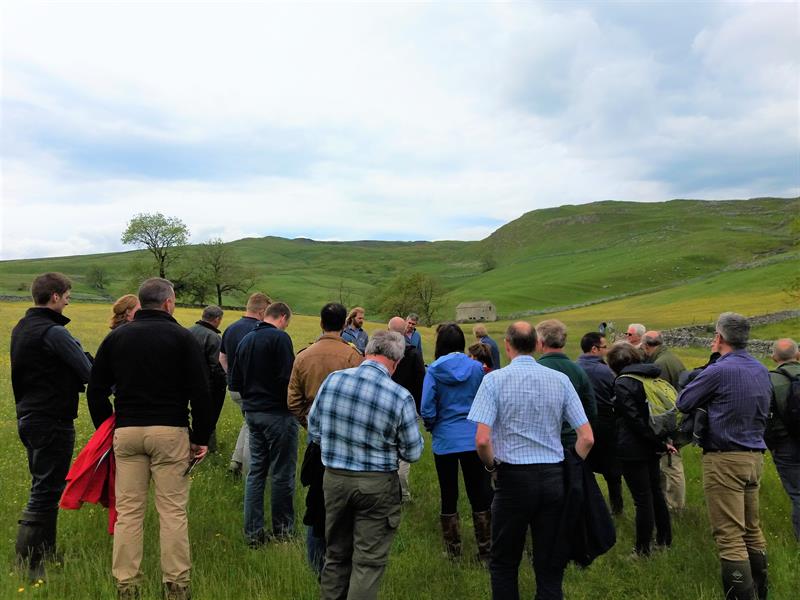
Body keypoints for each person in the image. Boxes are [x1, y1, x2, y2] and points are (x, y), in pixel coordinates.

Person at [87, 277, 213, 600]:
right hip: (170, 431)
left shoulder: (117, 338)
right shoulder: (183, 339)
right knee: (172, 512)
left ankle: (126, 587)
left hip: (127, 432)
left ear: (141, 303)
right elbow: (201, 392)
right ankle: (177, 587)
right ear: (169, 303)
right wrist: (200, 437)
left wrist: (107, 427)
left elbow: (96, 389)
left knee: (129, 513)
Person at [467, 322, 593, 599]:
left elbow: (482, 440)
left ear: (508, 346)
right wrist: (570, 465)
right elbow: (586, 437)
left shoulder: (494, 380)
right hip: (552, 475)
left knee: (504, 561)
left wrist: (491, 466)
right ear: (537, 344)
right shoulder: (560, 380)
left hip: (512, 477)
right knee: (550, 561)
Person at [308, 330, 424, 600]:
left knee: (335, 554)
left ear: (367, 351)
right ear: (395, 362)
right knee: (368, 562)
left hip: (334, 478)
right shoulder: (399, 396)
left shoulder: (334, 380)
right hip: (376, 483)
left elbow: (314, 428)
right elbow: (413, 451)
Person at [677, 312, 771, 600]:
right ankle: (760, 591)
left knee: (729, 535)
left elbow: (684, 401)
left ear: (718, 338)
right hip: (754, 456)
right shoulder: (760, 368)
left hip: (724, 458)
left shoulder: (719, 370)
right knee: (751, 530)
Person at [11, 272, 92, 580]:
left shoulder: (23, 327)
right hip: (51, 419)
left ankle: (44, 554)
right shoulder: (54, 333)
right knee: (45, 490)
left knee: (44, 486)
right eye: (67, 295)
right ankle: (31, 566)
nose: (69, 300)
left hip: (29, 416)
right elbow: (87, 372)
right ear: (55, 296)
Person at [287, 303, 363, 576]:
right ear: (344, 324)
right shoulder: (354, 357)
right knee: (348, 503)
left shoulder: (304, 356)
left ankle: (315, 564)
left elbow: (293, 402)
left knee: (316, 503)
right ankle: (343, 564)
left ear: (321, 323)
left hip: (317, 443)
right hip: (347, 442)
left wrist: (311, 426)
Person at [421, 323, 492, 563]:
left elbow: (427, 407)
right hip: (473, 438)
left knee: (448, 493)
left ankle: (452, 551)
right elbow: (485, 400)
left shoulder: (433, 371)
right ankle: (485, 549)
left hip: (445, 439)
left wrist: (433, 426)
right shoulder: (476, 368)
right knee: (479, 492)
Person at [230, 302, 297, 546]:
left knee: (256, 473)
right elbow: (287, 379)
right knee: (282, 473)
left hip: (252, 413)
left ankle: (253, 533)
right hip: (277, 414)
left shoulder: (246, 340)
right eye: (287, 321)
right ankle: (283, 532)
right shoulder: (280, 339)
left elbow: (235, 381)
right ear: (282, 317)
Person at [606, 342, 675, 557]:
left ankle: (643, 549)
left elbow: (633, 419)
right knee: (655, 493)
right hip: (652, 444)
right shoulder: (650, 376)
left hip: (633, 448)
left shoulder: (624, 383)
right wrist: (660, 442)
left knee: (642, 499)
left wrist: (656, 442)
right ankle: (665, 539)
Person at [219, 292, 271, 476]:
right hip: (252, 389)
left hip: (234, 388)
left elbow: (222, 357)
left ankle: (236, 461)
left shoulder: (231, 328)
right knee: (253, 429)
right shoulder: (259, 330)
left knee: (248, 422)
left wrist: (232, 376)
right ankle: (249, 474)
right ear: (262, 310)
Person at [577, 331, 623, 515]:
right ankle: (617, 508)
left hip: (580, 425)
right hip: (605, 424)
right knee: (612, 471)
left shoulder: (574, 367)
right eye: (605, 347)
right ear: (594, 349)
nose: (608, 350)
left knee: (584, 468)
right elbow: (617, 396)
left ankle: (590, 507)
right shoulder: (606, 371)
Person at [642, 330, 687, 511]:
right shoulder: (670, 357)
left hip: (669, 423)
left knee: (671, 464)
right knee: (667, 463)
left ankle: (675, 507)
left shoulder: (659, 364)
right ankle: (666, 503)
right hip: (678, 418)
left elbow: (659, 398)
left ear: (646, 346)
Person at [535, 319, 597, 450]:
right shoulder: (578, 370)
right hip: (573, 440)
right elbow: (591, 409)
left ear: (541, 343)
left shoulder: (535, 369)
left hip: (542, 441)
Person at [765, 338, 800, 541]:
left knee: (797, 493)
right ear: (797, 355)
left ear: (774, 357)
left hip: (784, 444)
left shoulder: (769, 380)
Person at [388, 316, 426, 503]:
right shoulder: (412, 353)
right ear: (404, 331)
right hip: (407, 405)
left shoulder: (382, 351)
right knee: (404, 452)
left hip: (385, 405)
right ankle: (403, 493)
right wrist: (420, 409)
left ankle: (388, 490)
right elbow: (420, 381)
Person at [188, 305, 226, 453]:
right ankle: (207, 447)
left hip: (187, 383)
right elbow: (216, 365)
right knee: (208, 417)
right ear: (217, 319)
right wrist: (222, 384)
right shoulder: (213, 337)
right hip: (207, 384)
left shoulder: (188, 331)